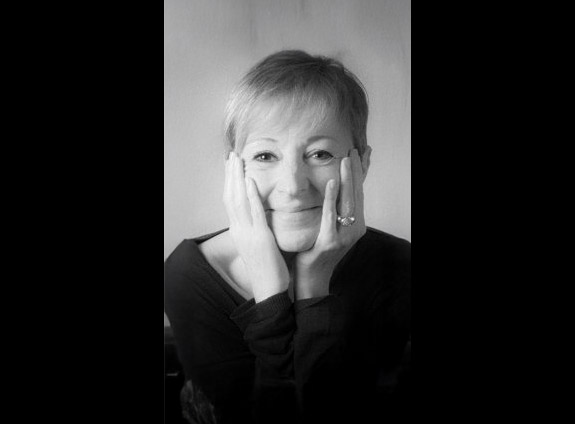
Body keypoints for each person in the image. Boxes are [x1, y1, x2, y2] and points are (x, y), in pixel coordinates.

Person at [164, 50, 411, 424]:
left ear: (362, 163)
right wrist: (271, 296)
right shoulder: (187, 276)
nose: (293, 187)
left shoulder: (400, 268)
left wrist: (313, 286)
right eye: (265, 156)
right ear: (233, 170)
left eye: (320, 154)